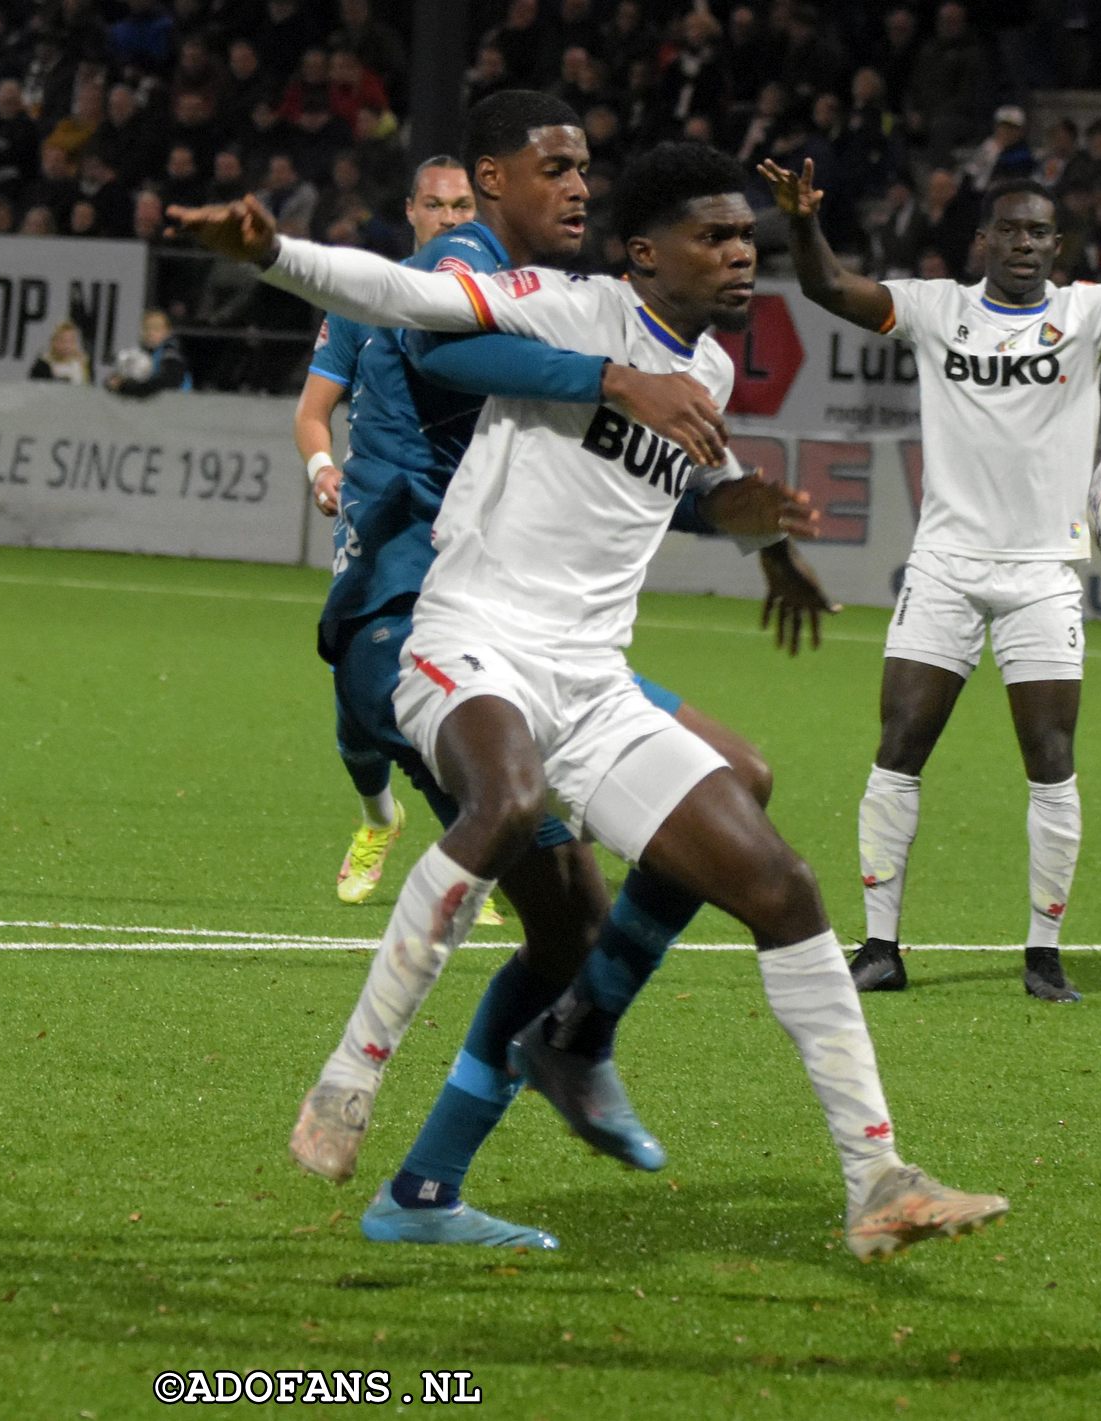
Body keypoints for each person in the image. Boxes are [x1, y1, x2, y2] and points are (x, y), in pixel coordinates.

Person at [171, 138, 1009, 1263]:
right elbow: (404, 296)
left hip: (593, 681)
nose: (739, 257)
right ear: (644, 253)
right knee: (506, 800)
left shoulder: (704, 377)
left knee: (780, 880)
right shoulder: (566, 309)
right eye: (714, 238)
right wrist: (272, 250)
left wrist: (753, 520)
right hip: (469, 641)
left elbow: (696, 489)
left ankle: (876, 1177)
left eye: (746, 241)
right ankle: (348, 1076)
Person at [266, 97, 834, 1248]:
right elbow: (435, 339)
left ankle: (549, 1064)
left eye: (588, 168)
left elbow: (636, 459)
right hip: (419, 616)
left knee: (733, 778)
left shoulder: (593, 305)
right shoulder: (475, 262)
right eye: (558, 168)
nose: (580, 188)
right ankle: (410, 1115)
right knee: (548, 879)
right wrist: (621, 381)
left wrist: (761, 531)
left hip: (539, 641)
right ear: (490, 181)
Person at [758, 95, 1101, 1002]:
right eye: (1009, 229)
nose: (1024, 243)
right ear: (984, 240)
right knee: (899, 744)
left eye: (1040, 233)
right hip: (943, 563)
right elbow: (830, 291)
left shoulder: (1090, 315)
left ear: (1058, 247)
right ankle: (881, 945)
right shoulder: (937, 310)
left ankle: (1043, 954)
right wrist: (804, 229)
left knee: (1050, 756)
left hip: (1044, 574)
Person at [292, 155, 481, 915]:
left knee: (474, 677)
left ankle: (480, 844)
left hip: (468, 522)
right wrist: (320, 469)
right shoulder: (366, 300)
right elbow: (313, 410)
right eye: (436, 206)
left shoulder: (493, 305)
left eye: (464, 206)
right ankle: (380, 817)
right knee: (361, 702)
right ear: (411, 212)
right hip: (376, 517)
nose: (451, 219)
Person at [105, 309, 190, 397]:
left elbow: (167, 384)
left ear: (167, 332)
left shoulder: (170, 354)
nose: (150, 333)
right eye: (146, 328)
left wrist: (126, 388)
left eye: (156, 329)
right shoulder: (143, 354)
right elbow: (122, 377)